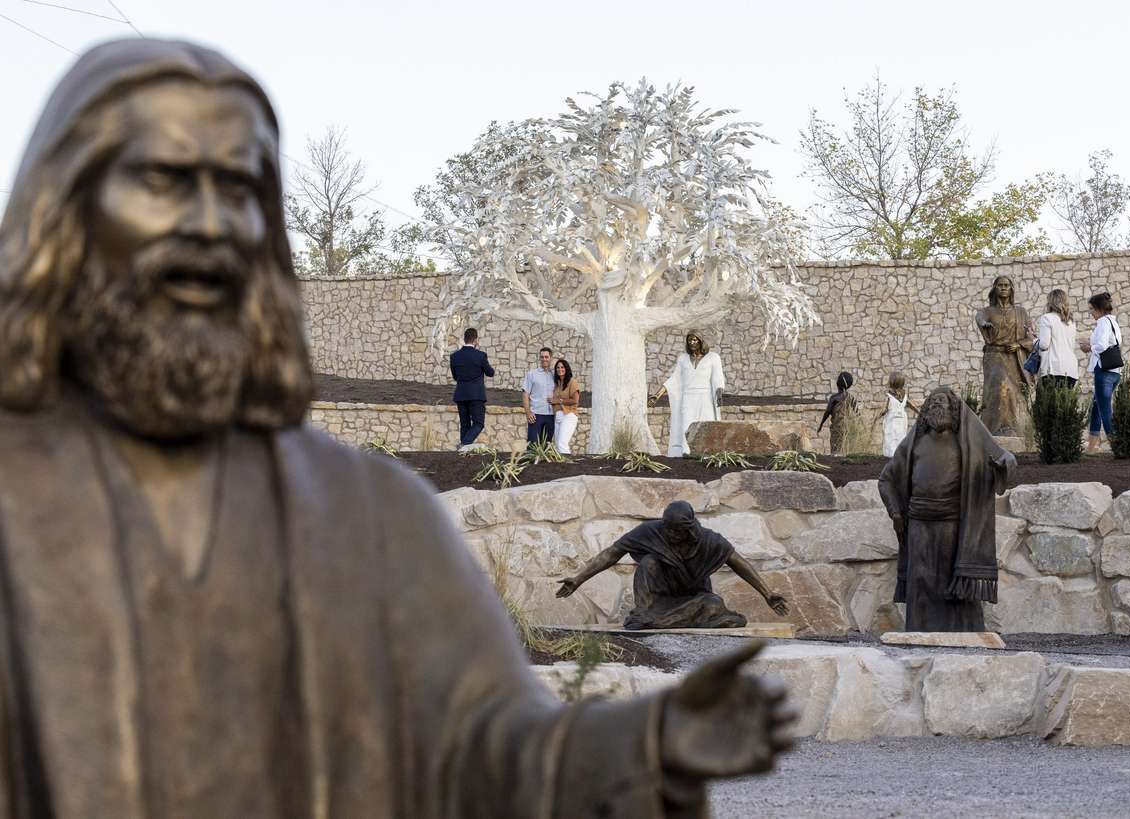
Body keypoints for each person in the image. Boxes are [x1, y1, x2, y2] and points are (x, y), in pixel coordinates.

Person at [0, 37, 797, 816]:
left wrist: (641, 743)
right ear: (66, 202)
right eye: (164, 179)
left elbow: (488, 749)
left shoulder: (368, 509)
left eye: (239, 188)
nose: (212, 223)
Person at [878, 388, 1016, 632]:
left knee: (954, 583)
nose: (935, 406)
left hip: (953, 525)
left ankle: (963, 633)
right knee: (921, 581)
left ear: (954, 409)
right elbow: (886, 479)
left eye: (941, 402)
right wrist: (895, 512)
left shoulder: (969, 440)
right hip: (919, 525)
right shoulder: (915, 442)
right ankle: (919, 632)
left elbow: (1000, 457)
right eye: (931, 403)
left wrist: (1007, 463)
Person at [556, 500, 789, 630]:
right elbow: (611, 553)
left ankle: (657, 620)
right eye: (667, 528)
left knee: (714, 604)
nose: (669, 534)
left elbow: (738, 563)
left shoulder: (709, 540)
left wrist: (767, 594)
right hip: (657, 601)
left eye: (676, 531)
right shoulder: (651, 532)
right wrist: (578, 579)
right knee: (648, 562)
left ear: (688, 529)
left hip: (693, 598)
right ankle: (644, 614)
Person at [974, 275, 1034, 436]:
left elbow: (1031, 338)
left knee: (1015, 393)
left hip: (1014, 358)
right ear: (994, 288)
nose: (1003, 288)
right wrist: (984, 324)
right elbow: (979, 317)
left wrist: (1019, 344)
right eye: (1000, 285)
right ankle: (995, 428)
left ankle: (1016, 428)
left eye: (1006, 285)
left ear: (1011, 289)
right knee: (999, 390)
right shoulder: (988, 311)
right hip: (995, 357)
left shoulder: (1020, 312)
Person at [650, 331, 725, 457]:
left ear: (700, 341)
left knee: (706, 425)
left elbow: (718, 378)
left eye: (694, 340)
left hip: (705, 398)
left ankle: (706, 454)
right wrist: (657, 395)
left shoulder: (713, 357)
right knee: (686, 425)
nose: (692, 342)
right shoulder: (683, 359)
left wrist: (719, 392)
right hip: (688, 398)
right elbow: (674, 379)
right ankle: (686, 453)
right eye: (689, 340)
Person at [1080, 291, 1124, 453]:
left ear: (1099, 309)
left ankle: (1117, 445)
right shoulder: (1113, 322)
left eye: (1092, 309)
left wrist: (1089, 347)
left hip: (1104, 372)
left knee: (1105, 409)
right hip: (1114, 372)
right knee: (1097, 406)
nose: (1091, 313)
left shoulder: (1103, 323)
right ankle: (1092, 446)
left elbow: (1102, 345)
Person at [450, 327, 494, 449]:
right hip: (476, 395)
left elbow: (455, 376)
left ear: (464, 339)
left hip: (461, 394)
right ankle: (464, 445)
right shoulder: (480, 356)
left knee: (465, 424)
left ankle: (463, 453)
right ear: (475, 340)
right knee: (479, 423)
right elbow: (490, 373)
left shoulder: (454, 356)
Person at [1035, 288, 1080, 389]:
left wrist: (1033, 340)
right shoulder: (1071, 322)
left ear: (1050, 302)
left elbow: (1044, 345)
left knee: (1047, 399)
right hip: (1071, 369)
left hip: (1053, 369)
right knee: (1065, 399)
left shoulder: (1047, 318)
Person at [878, 371, 920, 457]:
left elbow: (884, 409)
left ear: (891, 382)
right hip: (901, 420)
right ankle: (899, 456)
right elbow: (911, 405)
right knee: (900, 437)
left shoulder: (889, 396)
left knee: (891, 438)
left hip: (892, 420)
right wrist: (919, 412)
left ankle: (891, 457)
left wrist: (878, 416)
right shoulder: (903, 395)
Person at [521, 346, 555, 444]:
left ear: (550, 358)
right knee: (533, 445)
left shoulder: (554, 375)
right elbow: (525, 394)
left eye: (546, 357)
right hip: (536, 415)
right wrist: (528, 412)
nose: (544, 359)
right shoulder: (532, 374)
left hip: (551, 415)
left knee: (546, 446)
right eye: (542, 357)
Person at [818, 371, 857, 455]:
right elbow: (857, 412)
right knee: (844, 449)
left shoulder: (834, 398)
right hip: (846, 428)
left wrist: (821, 425)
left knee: (835, 449)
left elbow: (827, 412)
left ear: (838, 383)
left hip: (836, 428)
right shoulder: (850, 397)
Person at [549, 357, 581, 454]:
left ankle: (568, 464)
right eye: (558, 368)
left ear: (566, 369)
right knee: (557, 446)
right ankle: (561, 464)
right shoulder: (557, 384)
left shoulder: (572, 382)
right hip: (558, 416)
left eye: (562, 367)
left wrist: (558, 401)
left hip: (569, 415)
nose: (560, 369)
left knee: (562, 444)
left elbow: (575, 400)